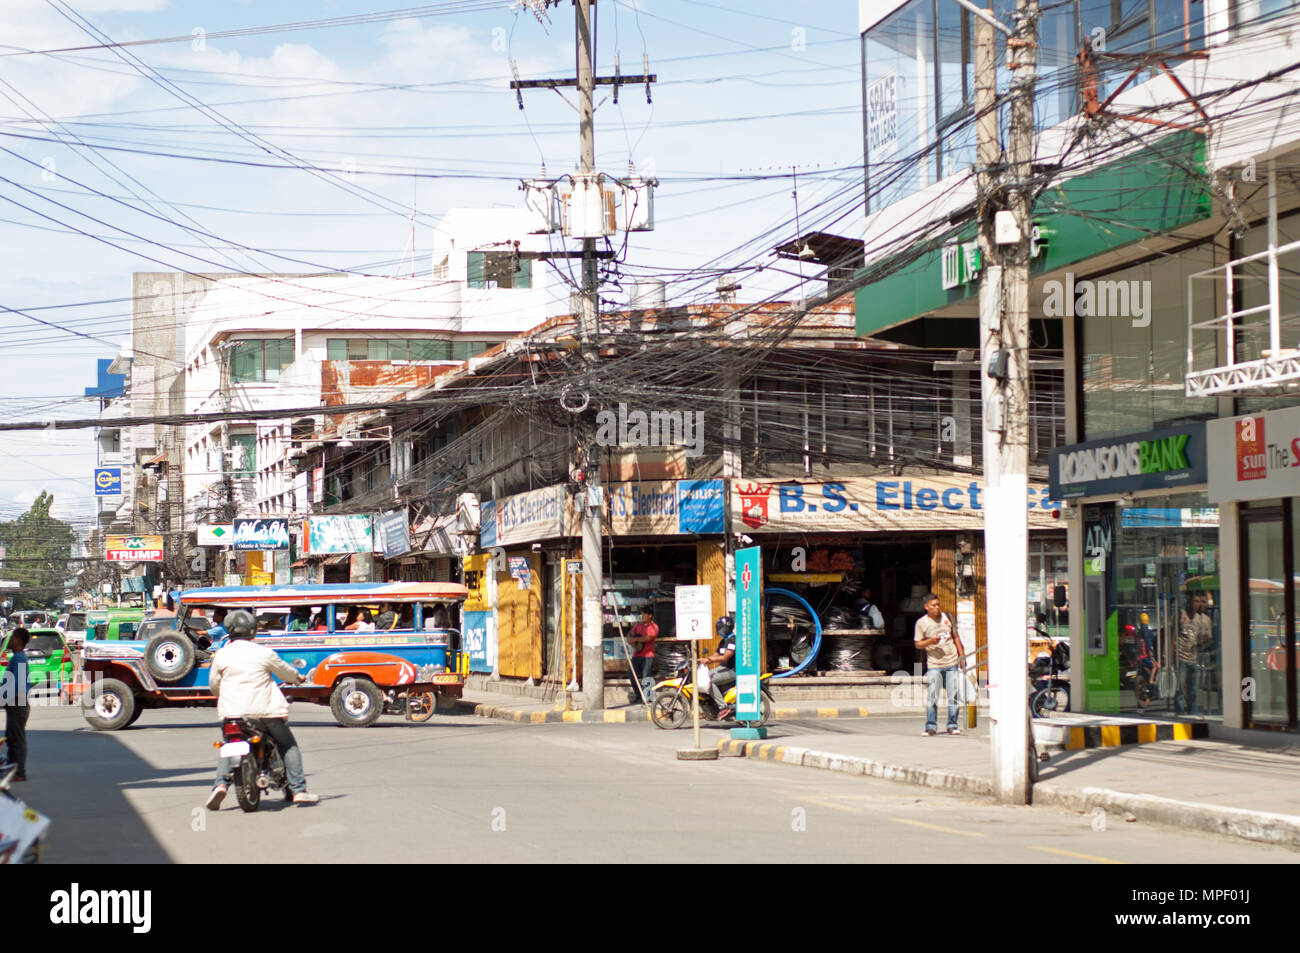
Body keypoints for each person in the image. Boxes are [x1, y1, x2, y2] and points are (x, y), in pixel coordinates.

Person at [204, 610, 318, 809]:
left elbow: (214, 685)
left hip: (232, 713)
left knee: (229, 745)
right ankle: (299, 790)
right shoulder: (262, 652)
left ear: (229, 631)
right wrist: (297, 678)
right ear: (253, 632)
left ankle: (220, 786)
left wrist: (224, 694)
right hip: (264, 712)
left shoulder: (222, 654)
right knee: (288, 744)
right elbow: (285, 671)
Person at [914, 593, 966, 736]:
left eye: (938, 605)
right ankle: (931, 726)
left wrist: (962, 655)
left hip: (952, 661)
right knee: (932, 696)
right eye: (933, 605)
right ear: (926, 607)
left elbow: (955, 637)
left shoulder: (947, 618)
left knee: (954, 695)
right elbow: (918, 644)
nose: (937, 608)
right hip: (934, 664)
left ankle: (952, 725)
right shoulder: (921, 623)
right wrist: (930, 641)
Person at [1176, 592, 1213, 716]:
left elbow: (1209, 638)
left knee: (1193, 690)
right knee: (1180, 689)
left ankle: (1192, 713)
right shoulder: (1182, 615)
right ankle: (1180, 713)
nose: (1198, 604)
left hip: (1194, 658)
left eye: (1202, 602)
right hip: (1181, 656)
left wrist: (1198, 644)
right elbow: (1173, 633)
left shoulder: (1204, 619)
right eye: (1196, 601)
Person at [2, 628, 30, 781]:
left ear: (18, 641)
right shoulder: (17, 657)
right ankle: (12, 770)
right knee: (12, 737)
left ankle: (19, 772)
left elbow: (18, 683)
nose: (10, 640)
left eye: (12, 638)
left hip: (16, 703)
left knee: (17, 739)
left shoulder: (18, 658)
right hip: (15, 703)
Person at [701, 616, 738, 718]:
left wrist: (709, 660)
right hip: (723, 668)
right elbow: (716, 655)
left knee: (709, 681)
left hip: (732, 670)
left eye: (721, 628)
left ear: (727, 628)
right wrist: (701, 660)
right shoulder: (723, 641)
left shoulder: (732, 641)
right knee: (705, 676)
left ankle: (723, 707)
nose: (720, 630)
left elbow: (725, 657)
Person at [626, 608, 659, 704]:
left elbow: (649, 637)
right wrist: (630, 640)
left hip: (648, 655)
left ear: (650, 615)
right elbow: (630, 634)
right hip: (637, 654)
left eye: (644, 614)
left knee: (646, 677)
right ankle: (639, 695)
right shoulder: (638, 626)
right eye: (642, 614)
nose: (643, 616)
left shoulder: (654, 627)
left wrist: (636, 640)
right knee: (631, 674)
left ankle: (647, 697)